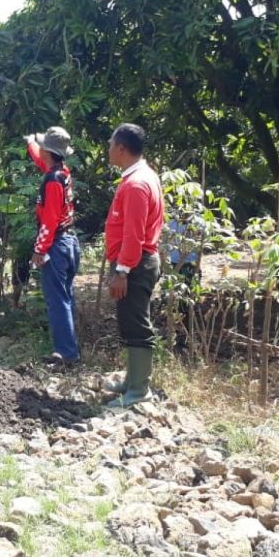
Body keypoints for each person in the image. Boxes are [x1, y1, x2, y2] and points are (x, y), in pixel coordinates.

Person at [103, 123, 164, 408]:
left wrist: (122, 271)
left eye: (111, 144)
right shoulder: (140, 177)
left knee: (137, 323)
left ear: (122, 148)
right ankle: (132, 381)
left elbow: (133, 234)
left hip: (136, 265)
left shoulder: (137, 184)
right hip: (136, 262)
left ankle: (139, 391)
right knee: (129, 320)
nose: (108, 149)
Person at [24, 126, 81, 366]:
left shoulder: (52, 181)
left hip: (56, 245)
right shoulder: (61, 172)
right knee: (65, 297)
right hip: (68, 241)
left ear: (49, 151)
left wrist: (40, 250)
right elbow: (41, 160)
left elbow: (50, 219)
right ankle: (69, 348)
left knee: (57, 301)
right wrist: (31, 143)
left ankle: (66, 354)